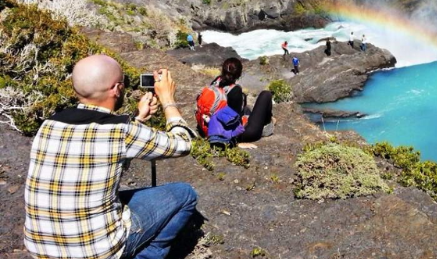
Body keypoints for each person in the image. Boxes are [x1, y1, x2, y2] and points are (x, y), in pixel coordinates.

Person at [24, 55, 198, 259]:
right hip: (96, 252)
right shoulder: (121, 131)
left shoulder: (49, 125)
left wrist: (138, 119)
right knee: (185, 194)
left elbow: (101, 151)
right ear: (116, 89)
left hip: (40, 248)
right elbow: (183, 144)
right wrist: (168, 99)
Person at [207, 58, 274, 146]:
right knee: (266, 94)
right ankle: (267, 123)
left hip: (212, 125)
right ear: (239, 74)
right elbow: (233, 123)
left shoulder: (216, 82)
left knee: (247, 109)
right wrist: (237, 144)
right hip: (239, 135)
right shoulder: (235, 91)